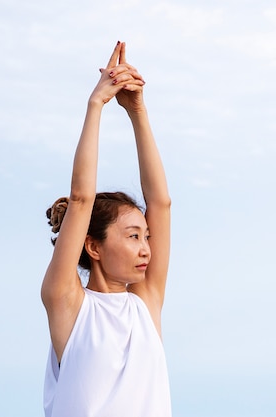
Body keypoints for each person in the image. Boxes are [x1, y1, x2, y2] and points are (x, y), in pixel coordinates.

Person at [41, 41, 172, 417]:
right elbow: (81, 198)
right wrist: (95, 105)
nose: (146, 247)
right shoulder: (68, 304)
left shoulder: (145, 302)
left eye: (146, 236)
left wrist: (138, 112)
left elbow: (160, 205)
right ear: (93, 247)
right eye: (133, 236)